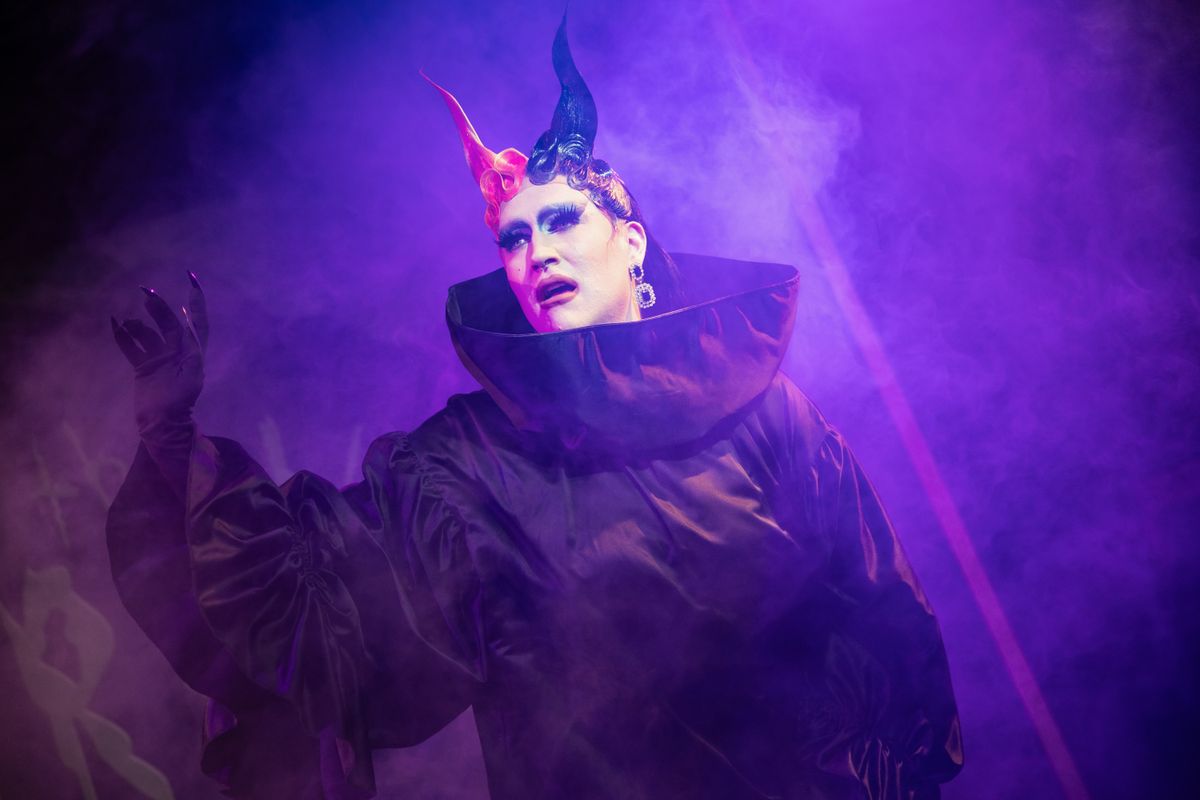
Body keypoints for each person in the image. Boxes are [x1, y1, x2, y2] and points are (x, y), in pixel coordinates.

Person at [107, 17, 963, 800]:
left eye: (559, 221)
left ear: (631, 243)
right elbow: (319, 615)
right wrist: (173, 440)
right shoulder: (463, 466)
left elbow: (881, 623)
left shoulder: (764, 412)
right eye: (513, 238)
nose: (535, 252)